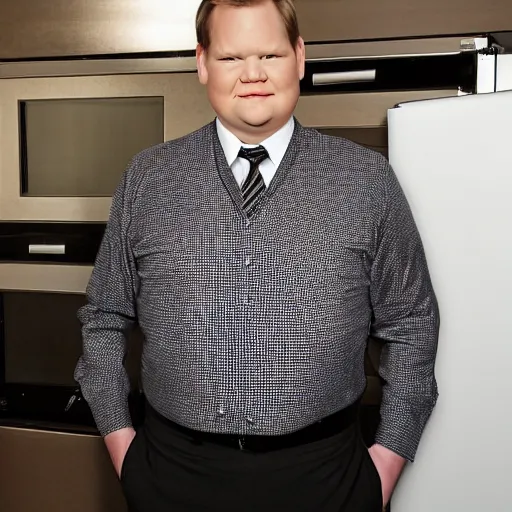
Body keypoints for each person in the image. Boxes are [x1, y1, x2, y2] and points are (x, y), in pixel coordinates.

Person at [74, 0, 440, 510]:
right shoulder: (149, 178)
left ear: (299, 57)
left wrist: (388, 458)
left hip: (327, 477)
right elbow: (104, 317)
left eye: (270, 53)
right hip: (172, 474)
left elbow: (412, 324)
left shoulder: (366, 180)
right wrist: (122, 445)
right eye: (230, 58)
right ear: (202, 63)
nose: (253, 75)